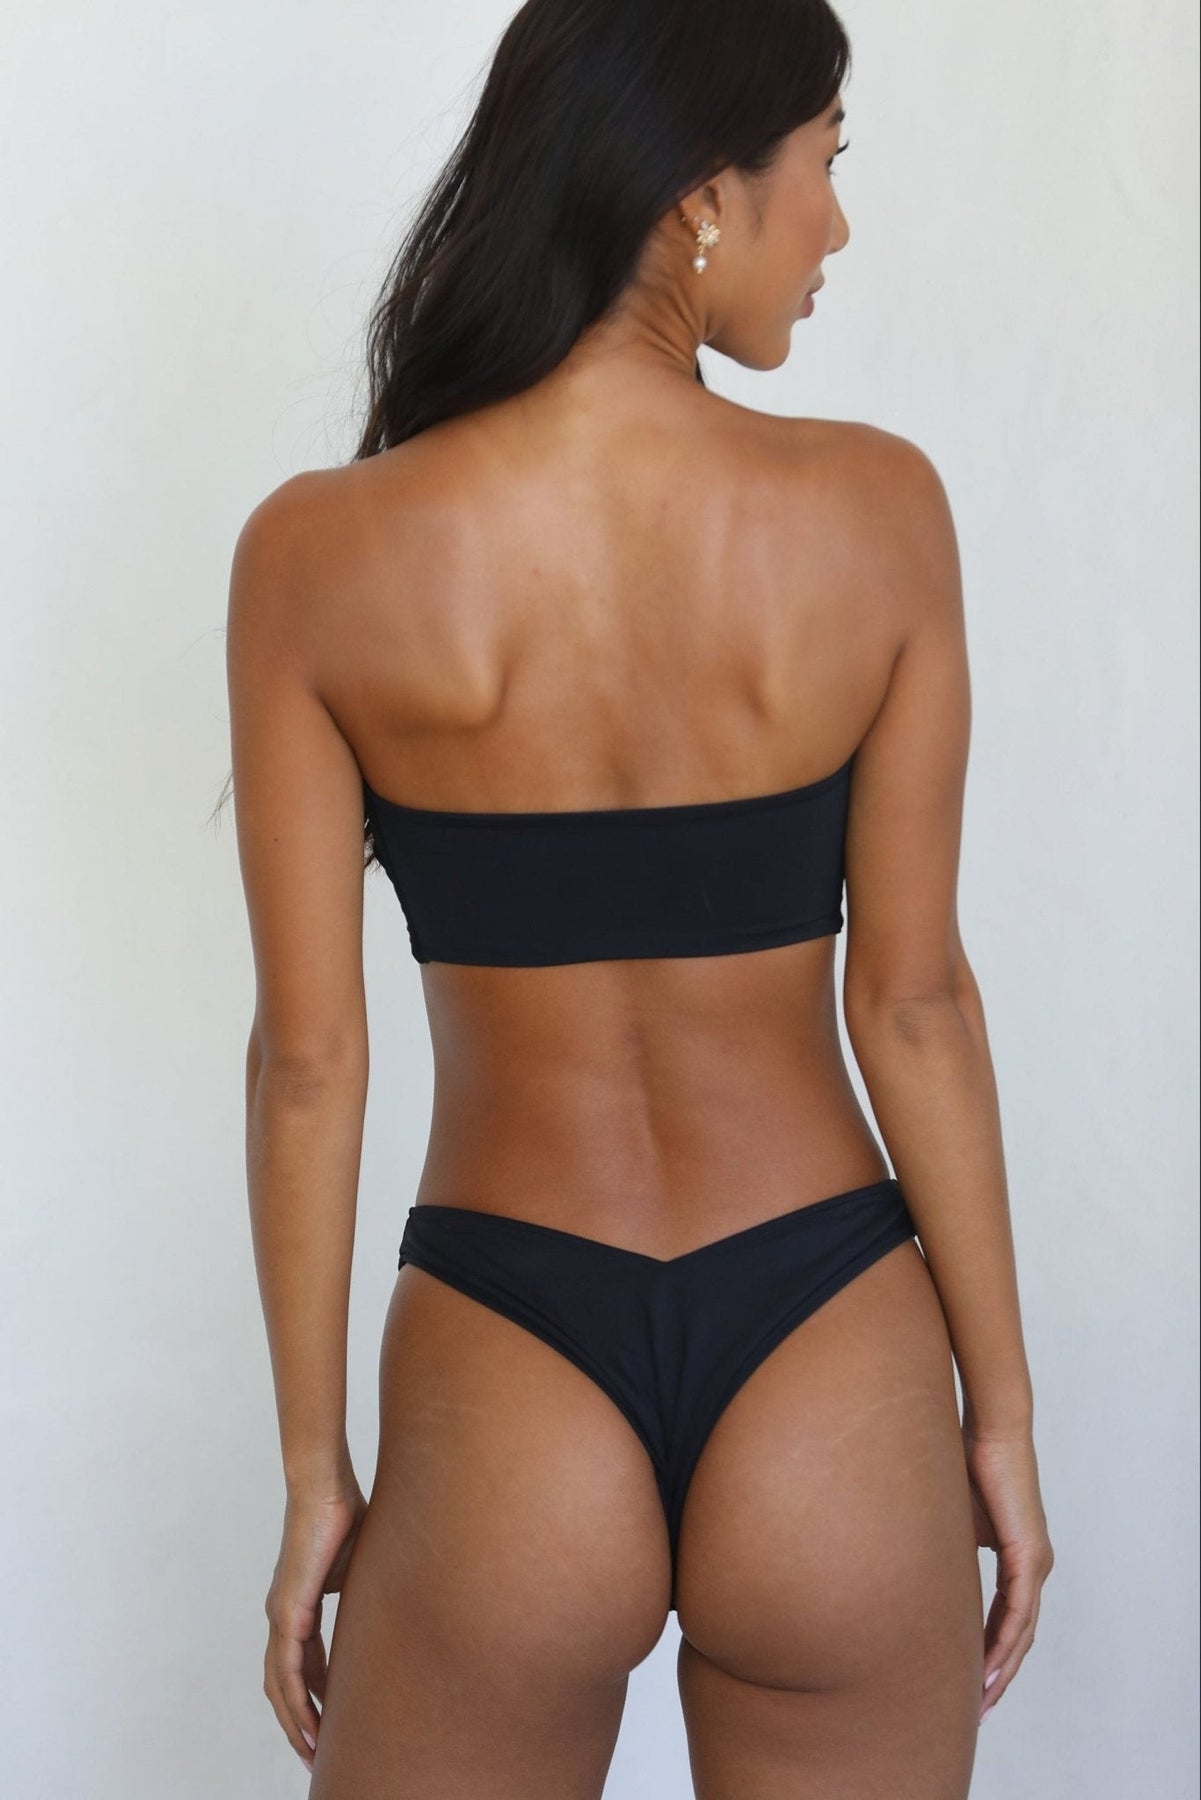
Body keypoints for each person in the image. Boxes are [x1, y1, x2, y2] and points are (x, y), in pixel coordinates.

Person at [221, 1, 1054, 1793]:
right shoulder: (876, 511)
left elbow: (307, 1064)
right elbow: (912, 1003)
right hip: (830, 1337)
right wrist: (999, 1412)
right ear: (698, 192)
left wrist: (312, 1476)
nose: (835, 224)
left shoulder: (314, 553)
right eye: (823, 166)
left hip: (508, 1347)